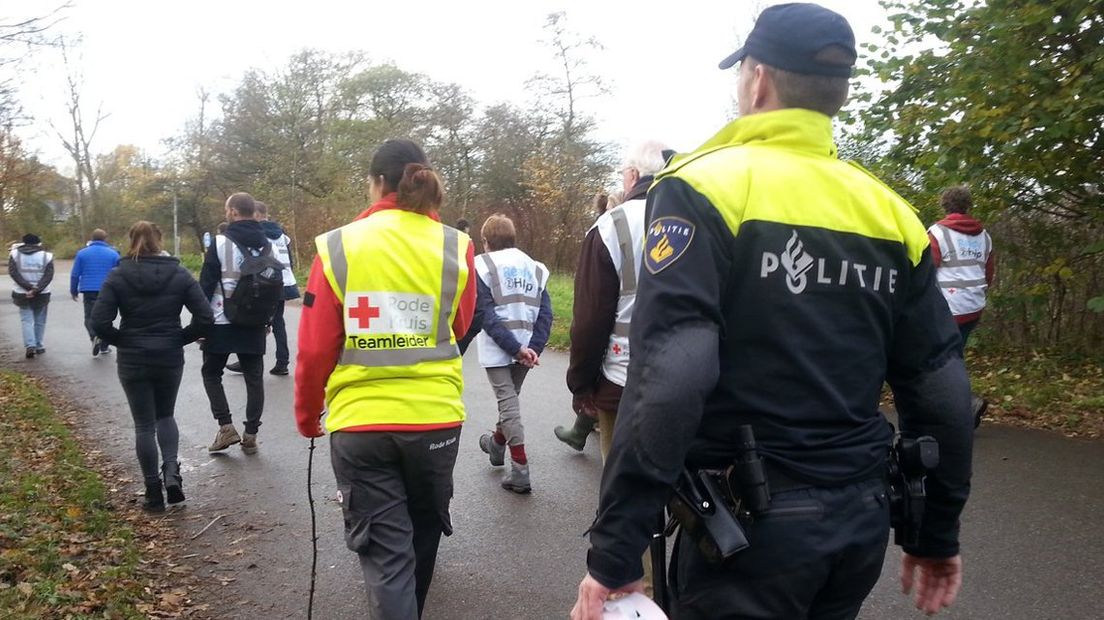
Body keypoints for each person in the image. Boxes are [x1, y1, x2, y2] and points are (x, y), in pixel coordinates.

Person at [570, 4, 974, 619]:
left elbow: (674, 372)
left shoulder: (703, 187)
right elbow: (940, 388)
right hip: (858, 523)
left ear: (757, 80)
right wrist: (935, 534)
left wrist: (614, 553)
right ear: (835, 94)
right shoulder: (892, 213)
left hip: (747, 535)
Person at [295, 139, 477, 619]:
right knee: (421, 542)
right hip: (436, 421)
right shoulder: (455, 246)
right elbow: (459, 326)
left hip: (362, 425)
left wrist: (306, 412)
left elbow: (315, 349)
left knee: (387, 559)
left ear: (376, 184)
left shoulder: (338, 246)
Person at [558, 140, 667, 596]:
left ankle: (637, 593)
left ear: (630, 177)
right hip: (693, 381)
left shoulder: (611, 225)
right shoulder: (703, 218)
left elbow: (590, 317)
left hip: (623, 384)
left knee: (626, 491)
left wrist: (581, 383)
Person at [91, 221, 214, 512]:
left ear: (130, 240)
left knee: (144, 424)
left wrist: (123, 340)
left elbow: (98, 322)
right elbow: (205, 316)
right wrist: (180, 338)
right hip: (169, 353)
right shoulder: (179, 273)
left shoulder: (117, 275)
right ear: (159, 241)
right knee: (165, 415)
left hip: (133, 356)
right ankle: (172, 471)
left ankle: (152, 491)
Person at [469, 214, 553, 494]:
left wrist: (515, 349)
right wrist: (533, 349)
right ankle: (496, 443)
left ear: (486, 242)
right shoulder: (536, 267)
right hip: (527, 349)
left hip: (500, 348)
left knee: (508, 404)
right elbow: (545, 313)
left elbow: (485, 314)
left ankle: (520, 469)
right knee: (510, 403)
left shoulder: (483, 265)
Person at [200, 192, 271, 455]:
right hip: (254, 320)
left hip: (220, 318)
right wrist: (268, 319)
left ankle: (226, 426)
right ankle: (251, 433)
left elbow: (206, 285)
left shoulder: (219, 242)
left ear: (232, 212)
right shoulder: (266, 243)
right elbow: (270, 285)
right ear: (253, 212)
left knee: (211, 373)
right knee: (254, 378)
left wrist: (200, 323)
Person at [928, 185, 994, 428]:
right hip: (973, 307)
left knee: (942, 360)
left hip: (948, 309)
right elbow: (989, 273)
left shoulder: (938, 233)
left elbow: (926, 272)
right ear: (968, 205)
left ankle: (964, 406)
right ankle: (954, 407)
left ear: (944, 205)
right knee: (953, 355)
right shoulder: (983, 235)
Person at [226, 200, 299, 375]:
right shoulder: (283, 235)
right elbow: (290, 260)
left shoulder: (258, 234)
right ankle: (282, 361)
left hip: (265, 281)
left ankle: (248, 361)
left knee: (255, 319)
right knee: (277, 322)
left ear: (257, 215)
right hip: (285, 281)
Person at [70, 228, 121, 356]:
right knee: (106, 317)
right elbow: (120, 273)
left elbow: (75, 274)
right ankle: (104, 345)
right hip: (108, 290)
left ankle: (94, 336)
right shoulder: (113, 254)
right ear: (105, 239)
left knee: (89, 316)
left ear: (92, 238)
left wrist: (73, 290)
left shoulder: (82, 254)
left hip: (89, 289)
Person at [9, 233, 54, 359]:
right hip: (42, 293)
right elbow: (48, 276)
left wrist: (28, 288)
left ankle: (30, 345)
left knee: (26, 320)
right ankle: (39, 345)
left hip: (21, 292)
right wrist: (36, 289)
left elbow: (13, 273)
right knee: (40, 320)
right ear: (38, 242)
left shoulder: (15, 255)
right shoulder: (47, 256)